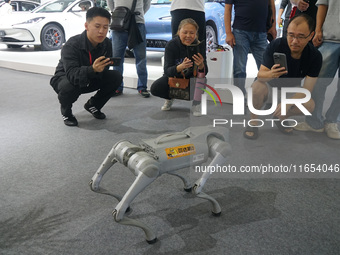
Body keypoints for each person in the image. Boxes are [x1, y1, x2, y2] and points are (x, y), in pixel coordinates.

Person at [243, 14, 322, 140]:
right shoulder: (276, 45)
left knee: (309, 105)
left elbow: (307, 90)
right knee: (256, 88)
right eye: (291, 35)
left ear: (311, 36)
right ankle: (253, 122)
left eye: (301, 37)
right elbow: (260, 76)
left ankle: (280, 118)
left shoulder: (315, 56)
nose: (295, 41)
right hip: (269, 87)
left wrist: (288, 102)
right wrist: (271, 74)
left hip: (291, 90)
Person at [50, 7, 122, 127]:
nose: (101, 31)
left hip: (92, 77)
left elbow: (105, 70)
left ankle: (93, 105)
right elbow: (72, 74)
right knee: (69, 87)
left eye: (105, 27)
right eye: (97, 26)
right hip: (67, 78)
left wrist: (99, 69)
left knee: (116, 76)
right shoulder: (71, 45)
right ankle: (66, 112)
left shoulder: (106, 44)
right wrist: (92, 69)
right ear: (87, 26)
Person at [294, 0, 340, 139]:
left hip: (330, 38)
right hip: (329, 37)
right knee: (317, 81)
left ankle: (332, 121)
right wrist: (318, 29)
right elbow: (323, 4)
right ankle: (314, 122)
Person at [150, 18, 208, 116]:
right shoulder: (171, 45)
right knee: (155, 88)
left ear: (196, 34)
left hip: (191, 78)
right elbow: (167, 70)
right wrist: (180, 67)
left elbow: (204, 73)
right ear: (179, 31)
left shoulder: (199, 46)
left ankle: (196, 104)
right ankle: (169, 98)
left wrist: (201, 65)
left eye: (192, 33)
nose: (188, 36)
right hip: (174, 76)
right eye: (185, 32)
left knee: (202, 81)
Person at [224, 0, 277, 96]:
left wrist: (273, 26)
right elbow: (228, 8)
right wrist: (228, 33)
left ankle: (255, 91)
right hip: (240, 32)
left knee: (266, 67)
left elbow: (271, 4)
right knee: (239, 69)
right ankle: (239, 96)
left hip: (261, 32)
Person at [107, 0, 151, 98]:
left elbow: (147, 3)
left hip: (137, 22)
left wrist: (136, 14)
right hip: (119, 21)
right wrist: (120, 13)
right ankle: (117, 86)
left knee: (141, 57)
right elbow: (110, 2)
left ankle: (142, 87)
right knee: (117, 58)